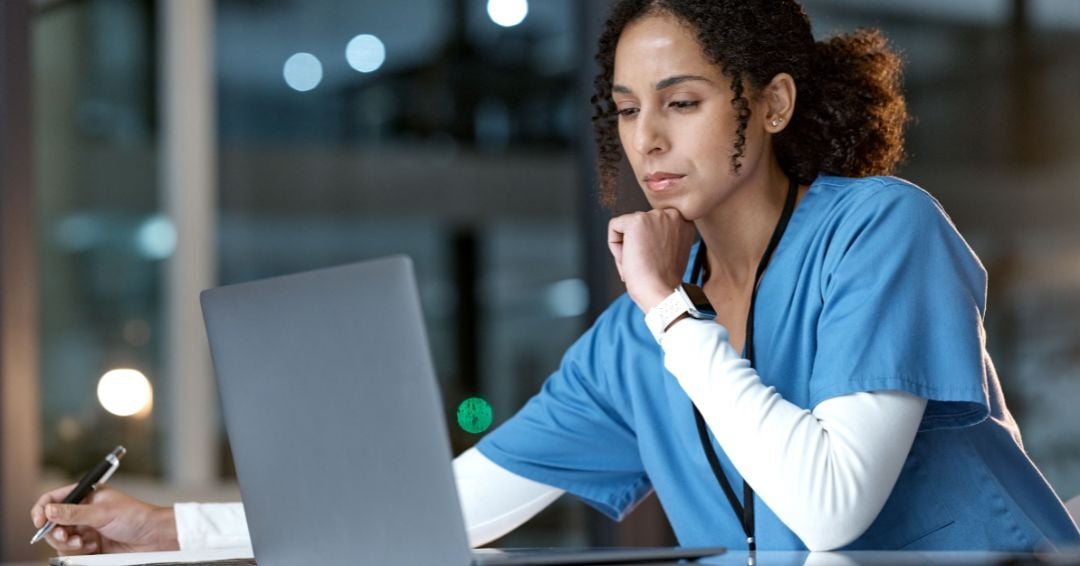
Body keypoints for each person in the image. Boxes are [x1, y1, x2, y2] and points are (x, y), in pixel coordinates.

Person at [31, 0, 1080, 555]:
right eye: (627, 109)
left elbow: (832, 502)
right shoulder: (635, 343)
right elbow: (448, 505)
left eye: (682, 100)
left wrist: (673, 309)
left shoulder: (879, 232)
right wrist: (167, 526)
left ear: (768, 104)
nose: (647, 140)